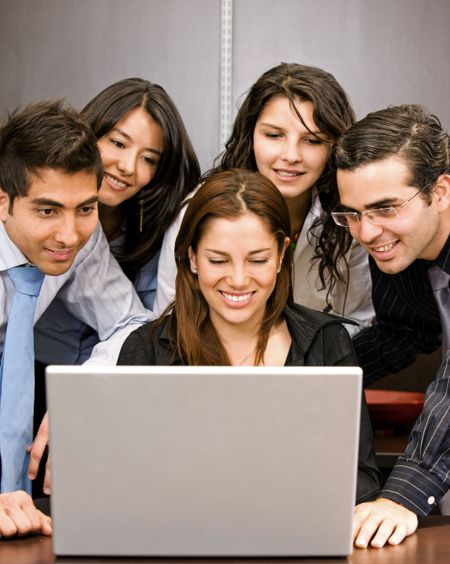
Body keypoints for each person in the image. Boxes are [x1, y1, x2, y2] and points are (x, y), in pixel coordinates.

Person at [118, 169, 382, 505]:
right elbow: (126, 480)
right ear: (192, 257)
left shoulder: (326, 342)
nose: (239, 280)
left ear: (281, 254)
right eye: (218, 260)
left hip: (295, 541)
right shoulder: (147, 350)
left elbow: (363, 477)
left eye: (258, 260)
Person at [0, 100, 153, 537]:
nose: (70, 236)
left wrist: (82, 394)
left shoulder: (81, 239)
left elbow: (131, 323)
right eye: (47, 210)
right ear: (3, 202)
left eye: (85, 208)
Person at [332, 103, 450, 548]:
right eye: (354, 214)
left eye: (385, 208)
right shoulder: (396, 242)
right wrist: (312, 370)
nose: (366, 232)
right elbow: (405, 332)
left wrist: (402, 493)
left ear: (440, 191)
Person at [34, 78, 200, 366]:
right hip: (33, 364)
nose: (127, 166)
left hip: (105, 373)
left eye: (148, 159)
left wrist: (87, 385)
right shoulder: (31, 209)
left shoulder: (154, 228)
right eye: (118, 143)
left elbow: (137, 323)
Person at [207, 63, 374, 335]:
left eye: (312, 141)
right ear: (250, 136)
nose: (291, 155)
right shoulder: (201, 208)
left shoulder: (350, 220)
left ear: (335, 146)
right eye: (274, 135)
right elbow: (172, 317)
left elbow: (355, 321)